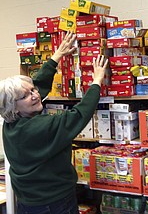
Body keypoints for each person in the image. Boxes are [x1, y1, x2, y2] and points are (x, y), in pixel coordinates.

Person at [0, 31, 108, 214]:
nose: (35, 96)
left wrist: (56, 56)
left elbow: (38, 87)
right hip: (53, 203)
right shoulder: (38, 127)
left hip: (29, 201)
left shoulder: (11, 122)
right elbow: (79, 115)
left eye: (33, 90)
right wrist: (97, 82)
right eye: (26, 96)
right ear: (14, 107)